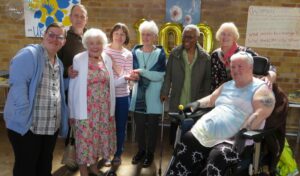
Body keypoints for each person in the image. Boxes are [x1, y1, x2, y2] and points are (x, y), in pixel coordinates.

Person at [166, 52, 276, 176]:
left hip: (233, 139)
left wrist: (244, 131)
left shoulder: (261, 88)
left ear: (250, 67)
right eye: (233, 66)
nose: (235, 70)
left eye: (240, 66)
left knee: (219, 156)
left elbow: (262, 112)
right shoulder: (228, 85)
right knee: (187, 139)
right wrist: (197, 103)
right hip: (204, 132)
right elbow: (211, 99)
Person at [4, 22, 68, 176]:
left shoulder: (58, 63)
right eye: (51, 34)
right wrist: (24, 115)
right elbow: (18, 85)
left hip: (50, 126)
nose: (54, 39)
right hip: (28, 126)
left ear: (64, 41)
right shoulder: (29, 54)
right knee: (26, 167)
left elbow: (55, 88)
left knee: (44, 166)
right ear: (44, 36)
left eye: (59, 37)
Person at [68, 28, 116, 176]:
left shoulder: (107, 58)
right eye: (91, 43)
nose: (95, 46)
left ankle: (94, 167)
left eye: (98, 43)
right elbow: (73, 87)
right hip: (85, 109)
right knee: (84, 142)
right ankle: (83, 170)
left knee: (97, 140)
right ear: (86, 44)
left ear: (103, 44)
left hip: (103, 110)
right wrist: (71, 112)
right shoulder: (79, 59)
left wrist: (128, 78)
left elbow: (111, 83)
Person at [160, 24, 211, 144]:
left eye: (190, 37)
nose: (186, 40)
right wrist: (164, 92)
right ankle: (174, 156)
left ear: (197, 38)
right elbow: (168, 76)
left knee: (191, 137)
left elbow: (207, 80)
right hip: (178, 99)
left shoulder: (205, 58)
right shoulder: (175, 54)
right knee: (174, 137)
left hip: (195, 101)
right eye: (184, 36)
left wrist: (204, 100)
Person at [129, 20, 166, 168]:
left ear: (155, 36)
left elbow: (160, 76)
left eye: (149, 34)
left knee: (152, 128)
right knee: (139, 126)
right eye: (143, 34)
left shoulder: (160, 53)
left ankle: (150, 153)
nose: (146, 37)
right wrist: (134, 75)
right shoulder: (135, 52)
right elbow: (131, 72)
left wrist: (143, 72)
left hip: (154, 97)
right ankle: (141, 151)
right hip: (138, 95)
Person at [104, 23, 137, 166]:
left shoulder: (128, 54)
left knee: (121, 127)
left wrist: (115, 67)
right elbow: (102, 74)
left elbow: (127, 76)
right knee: (105, 126)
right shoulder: (103, 50)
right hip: (105, 95)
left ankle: (118, 153)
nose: (119, 36)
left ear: (126, 37)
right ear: (112, 34)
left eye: (122, 34)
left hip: (123, 95)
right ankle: (105, 154)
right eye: (117, 33)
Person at [211, 22, 277, 92]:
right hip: (221, 96)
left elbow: (270, 67)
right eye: (223, 34)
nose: (225, 37)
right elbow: (212, 80)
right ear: (218, 36)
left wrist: (269, 77)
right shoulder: (215, 55)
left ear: (234, 37)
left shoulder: (245, 52)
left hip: (243, 95)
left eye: (229, 35)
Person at [58, 4, 88, 81]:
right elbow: (54, 63)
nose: (79, 19)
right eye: (76, 16)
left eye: (82, 17)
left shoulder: (92, 37)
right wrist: (66, 71)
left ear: (86, 20)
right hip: (71, 86)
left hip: (90, 86)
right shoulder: (62, 38)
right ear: (70, 18)